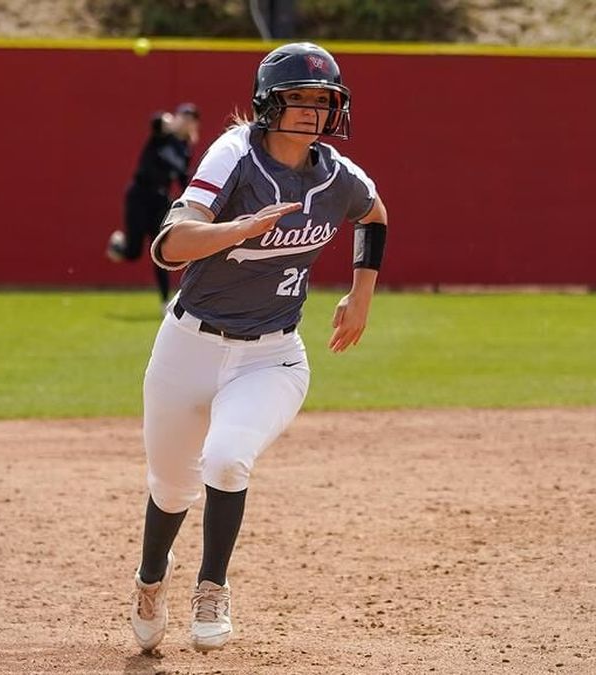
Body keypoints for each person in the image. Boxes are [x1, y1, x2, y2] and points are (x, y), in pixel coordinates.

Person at [127, 42, 387, 653]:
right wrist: (236, 230)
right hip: (187, 346)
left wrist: (361, 295)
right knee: (170, 486)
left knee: (226, 459)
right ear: (269, 102)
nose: (310, 110)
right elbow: (169, 245)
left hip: (272, 354)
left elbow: (374, 217)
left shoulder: (337, 175)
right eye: (296, 97)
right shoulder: (234, 154)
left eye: (322, 100)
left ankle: (212, 588)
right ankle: (149, 580)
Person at [106, 103, 201, 309]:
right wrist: (168, 123)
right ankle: (118, 244)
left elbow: (183, 178)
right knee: (133, 252)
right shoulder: (163, 135)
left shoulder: (184, 148)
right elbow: (156, 120)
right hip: (140, 194)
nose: (186, 121)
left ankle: (165, 301)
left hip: (160, 200)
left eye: (191, 118)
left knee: (160, 249)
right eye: (184, 116)